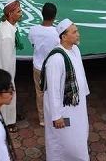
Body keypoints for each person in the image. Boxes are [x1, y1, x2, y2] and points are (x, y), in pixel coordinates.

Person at [40, 19, 90, 160]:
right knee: (63, 143)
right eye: (74, 32)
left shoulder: (75, 50)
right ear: (64, 37)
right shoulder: (56, 58)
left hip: (77, 106)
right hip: (64, 110)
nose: (78, 34)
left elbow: (81, 74)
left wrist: (83, 95)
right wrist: (56, 116)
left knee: (78, 138)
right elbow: (53, 90)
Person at [0, 0, 23, 131]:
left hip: (0, 68)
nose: (21, 14)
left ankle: (10, 116)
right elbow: (6, 61)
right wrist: (8, 80)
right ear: (10, 14)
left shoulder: (6, 25)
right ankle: (9, 122)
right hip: (4, 71)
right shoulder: (7, 35)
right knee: (7, 92)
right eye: (18, 11)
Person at [27, 2, 59, 127]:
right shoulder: (57, 33)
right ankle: (54, 115)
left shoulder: (33, 30)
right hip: (52, 67)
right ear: (54, 16)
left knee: (40, 92)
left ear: (42, 14)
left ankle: (42, 118)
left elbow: (33, 45)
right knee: (53, 91)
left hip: (38, 65)